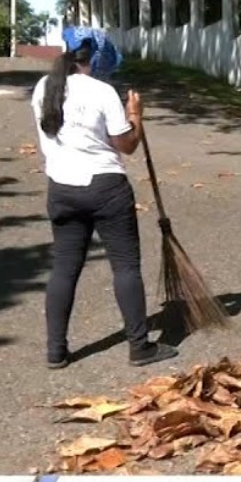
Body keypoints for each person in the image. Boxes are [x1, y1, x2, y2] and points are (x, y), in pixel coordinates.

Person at [32, 33, 178, 369]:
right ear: (98, 61)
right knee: (125, 266)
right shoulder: (102, 92)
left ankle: (56, 351)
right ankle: (139, 347)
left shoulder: (44, 87)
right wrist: (136, 115)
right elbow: (126, 145)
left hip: (62, 187)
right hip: (106, 188)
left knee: (64, 267)